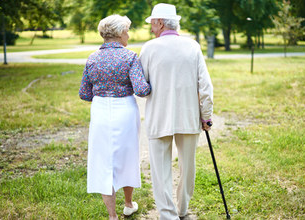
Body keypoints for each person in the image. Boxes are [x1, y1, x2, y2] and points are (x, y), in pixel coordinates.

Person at [139, 3, 213, 220]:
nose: (152, 28)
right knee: (187, 166)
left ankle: (168, 215)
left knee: (160, 171)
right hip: (188, 116)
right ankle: (182, 209)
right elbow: (205, 87)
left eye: (153, 23)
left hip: (159, 117)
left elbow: (142, 87)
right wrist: (206, 115)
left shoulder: (149, 48)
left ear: (160, 22)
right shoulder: (193, 46)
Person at [79, 14, 151, 220]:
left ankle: (112, 216)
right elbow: (141, 90)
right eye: (127, 31)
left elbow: (84, 93)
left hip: (101, 110)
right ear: (120, 34)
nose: (128, 34)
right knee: (127, 157)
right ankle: (128, 204)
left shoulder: (92, 58)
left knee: (103, 160)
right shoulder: (130, 57)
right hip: (125, 111)